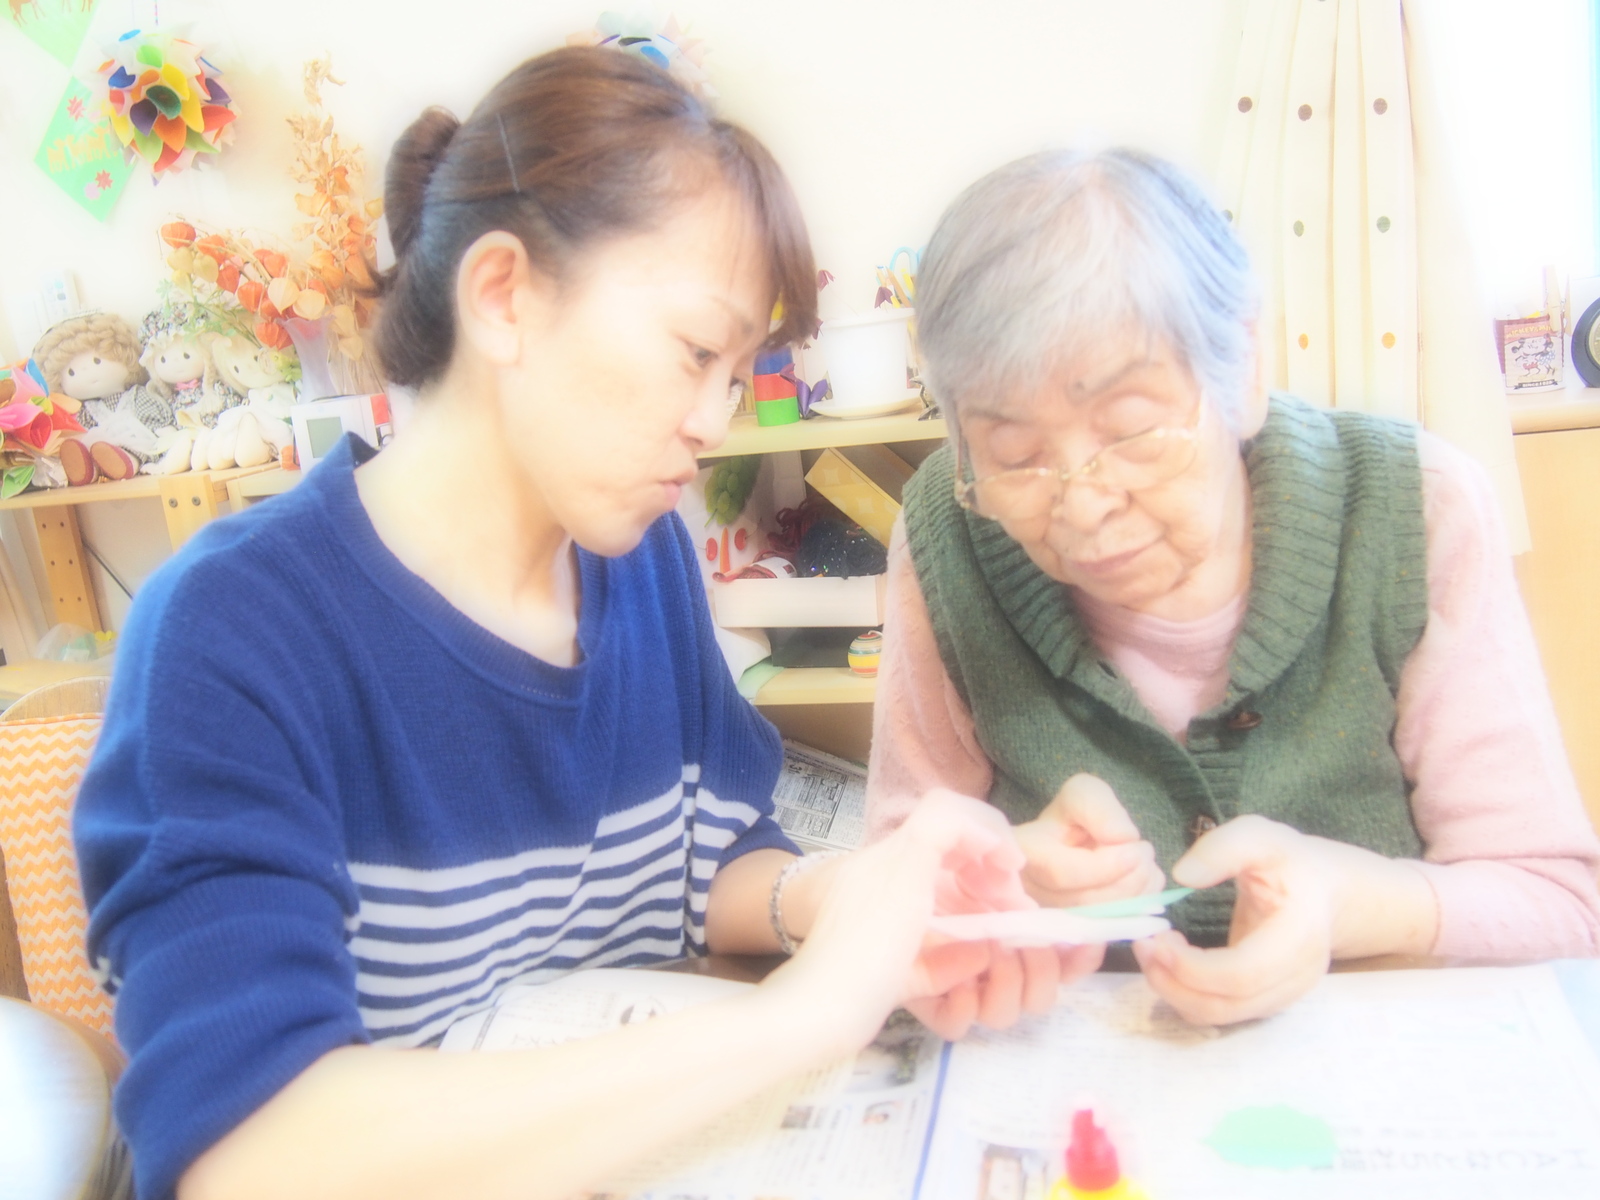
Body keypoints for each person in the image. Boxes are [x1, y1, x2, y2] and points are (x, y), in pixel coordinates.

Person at [74, 48, 1080, 1200]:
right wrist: (800, 1020)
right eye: (695, 354)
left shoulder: (641, 563)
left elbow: (713, 862)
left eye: (737, 373)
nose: (713, 421)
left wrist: (857, 897)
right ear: (504, 296)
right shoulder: (231, 633)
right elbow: (245, 1154)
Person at [868, 147, 1600, 1026]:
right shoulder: (947, 534)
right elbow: (888, 895)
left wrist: (1348, 904)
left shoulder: (1416, 508)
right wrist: (998, 880)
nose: (1084, 507)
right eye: (1015, 458)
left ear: (1243, 367)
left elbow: (1556, 903)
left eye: (1132, 431)